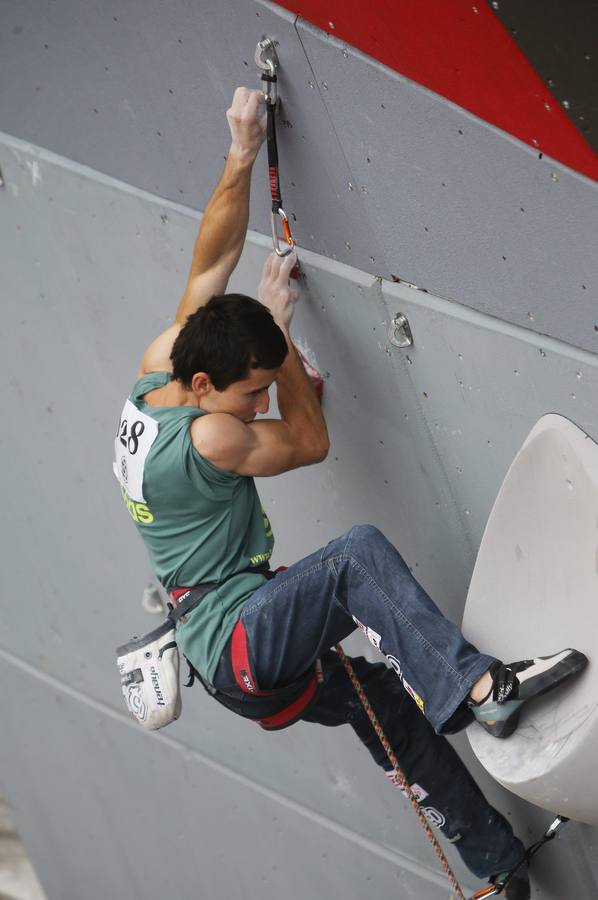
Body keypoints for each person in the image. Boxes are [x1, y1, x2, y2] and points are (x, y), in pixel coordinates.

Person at [114, 86, 587, 900]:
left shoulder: (163, 369)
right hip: (241, 641)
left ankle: (498, 866)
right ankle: (483, 692)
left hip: (233, 655)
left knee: (384, 710)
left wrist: (240, 151)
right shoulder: (207, 435)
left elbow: (210, 258)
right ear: (204, 386)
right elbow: (310, 441)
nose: (258, 403)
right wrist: (285, 342)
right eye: (250, 391)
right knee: (353, 559)